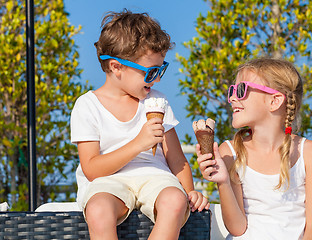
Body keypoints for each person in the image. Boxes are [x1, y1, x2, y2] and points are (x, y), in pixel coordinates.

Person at [70, 9, 209, 240]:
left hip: (155, 177)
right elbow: (92, 170)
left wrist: (190, 191)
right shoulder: (87, 105)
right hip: (107, 181)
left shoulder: (158, 102)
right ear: (116, 67)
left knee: (176, 200)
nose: (157, 79)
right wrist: (138, 144)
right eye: (151, 71)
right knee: (98, 210)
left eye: (161, 69)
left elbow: (176, 158)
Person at [196, 58, 312, 239]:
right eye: (232, 90)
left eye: (241, 90)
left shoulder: (310, 152)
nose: (232, 97)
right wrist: (223, 182)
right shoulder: (229, 152)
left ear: (274, 101)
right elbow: (237, 228)